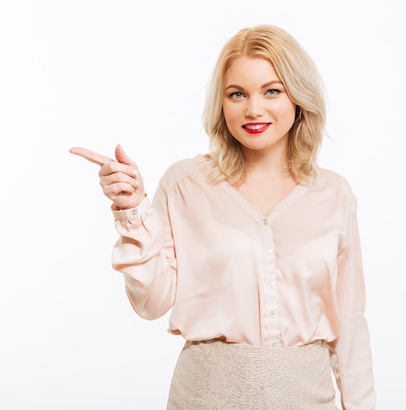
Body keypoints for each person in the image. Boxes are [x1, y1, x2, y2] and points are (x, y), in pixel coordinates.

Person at [69, 24, 375, 410]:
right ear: (222, 103)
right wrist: (133, 210)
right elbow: (150, 303)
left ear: (299, 98)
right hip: (205, 397)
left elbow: (349, 323)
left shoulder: (334, 196)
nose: (253, 109)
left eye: (272, 90)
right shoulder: (185, 185)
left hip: (307, 399)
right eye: (237, 94)